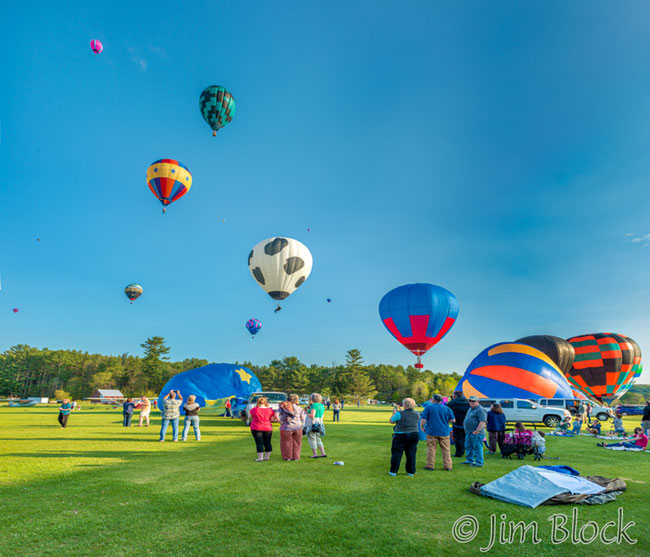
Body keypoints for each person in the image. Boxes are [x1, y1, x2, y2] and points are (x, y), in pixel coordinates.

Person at [419, 394, 455, 471]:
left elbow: (423, 419)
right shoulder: (447, 408)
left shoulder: (428, 407)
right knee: (446, 449)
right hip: (444, 431)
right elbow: (453, 420)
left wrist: (421, 427)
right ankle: (448, 466)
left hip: (431, 431)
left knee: (431, 448)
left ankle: (430, 465)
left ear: (433, 400)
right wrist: (445, 420)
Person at [389, 397, 420, 476]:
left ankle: (393, 471)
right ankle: (411, 472)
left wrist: (394, 413)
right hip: (414, 434)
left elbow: (391, 421)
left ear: (404, 405)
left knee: (397, 453)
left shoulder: (399, 413)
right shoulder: (417, 413)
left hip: (401, 434)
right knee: (411, 453)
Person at [277, 394, 306, 461]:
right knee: (297, 443)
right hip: (298, 427)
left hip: (286, 427)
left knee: (286, 443)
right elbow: (303, 418)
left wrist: (280, 421)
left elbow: (276, 415)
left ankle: (288, 457)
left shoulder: (283, 407)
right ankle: (296, 457)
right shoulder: (300, 408)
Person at [250, 396, 277, 461]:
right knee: (267, 442)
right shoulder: (270, 410)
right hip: (267, 427)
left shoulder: (254, 409)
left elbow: (249, 417)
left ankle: (260, 457)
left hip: (256, 427)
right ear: (265, 402)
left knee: (259, 442)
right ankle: (267, 456)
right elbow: (273, 419)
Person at [463, 396, 487, 467]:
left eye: (473, 401)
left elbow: (482, 421)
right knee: (468, 447)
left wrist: (477, 430)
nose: (471, 402)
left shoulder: (480, 410)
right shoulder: (470, 408)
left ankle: (479, 462)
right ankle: (469, 460)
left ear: (478, 401)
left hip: (477, 433)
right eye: (470, 401)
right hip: (469, 432)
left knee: (477, 447)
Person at [447, 391, 470, 458]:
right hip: (467, 423)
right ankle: (471, 453)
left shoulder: (452, 402)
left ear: (455, 396)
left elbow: (446, 410)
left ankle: (459, 453)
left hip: (457, 423)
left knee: (458, 439)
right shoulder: (468, 402)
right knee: (468, 439)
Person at [306, 393, 327, 458]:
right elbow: (322, 416)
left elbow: (312, 415)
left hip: (312, 424)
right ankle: (323, 453)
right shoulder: (322, 405)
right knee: (318, 438)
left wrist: (306, 412)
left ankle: (315, 454)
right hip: (320, 423)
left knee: (312, 438)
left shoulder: (314, 405)